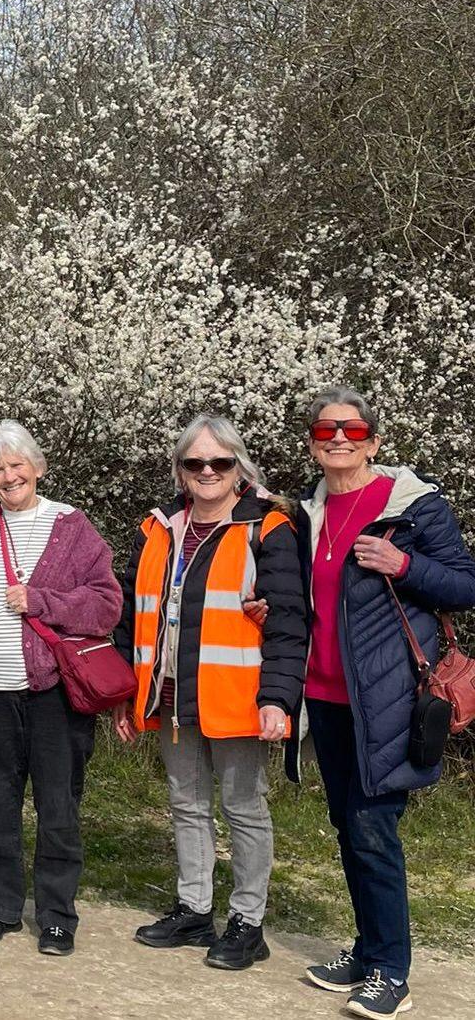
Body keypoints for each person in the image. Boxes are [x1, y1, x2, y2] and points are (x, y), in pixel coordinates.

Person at [291, 387, 475, 1019]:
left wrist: (403, 563)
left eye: (351, 429)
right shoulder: (306, 513)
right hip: (326, 697)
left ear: (372, 438)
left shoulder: (414, 507)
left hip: (388, 697)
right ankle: (369, 950)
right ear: (313, 442)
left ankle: (392, 970)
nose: (337, 439)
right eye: (324, 430)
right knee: (348, 826)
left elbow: (466, 584)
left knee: (373, 829)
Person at [113, 414, 307, 971]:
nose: (206, 471)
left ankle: (248, 921)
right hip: (170, 692)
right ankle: (195, 909)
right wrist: (130, 692)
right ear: (179, 469)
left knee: (244, 807)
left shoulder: (266, 528)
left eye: (219, 462)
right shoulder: (157, 528)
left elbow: (289, 620)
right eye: (194, 462)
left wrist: (278, 697)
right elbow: (132, 615)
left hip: (238, 695)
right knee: (186, 802)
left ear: (237, 467)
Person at [0, 420, 120, 956]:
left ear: (37, 467)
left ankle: (57, 915)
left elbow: (106, 604)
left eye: (17, 465)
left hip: (55, 696)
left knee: (58, 806)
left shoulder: (72, 525)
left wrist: (42, 602)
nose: (9, 476)